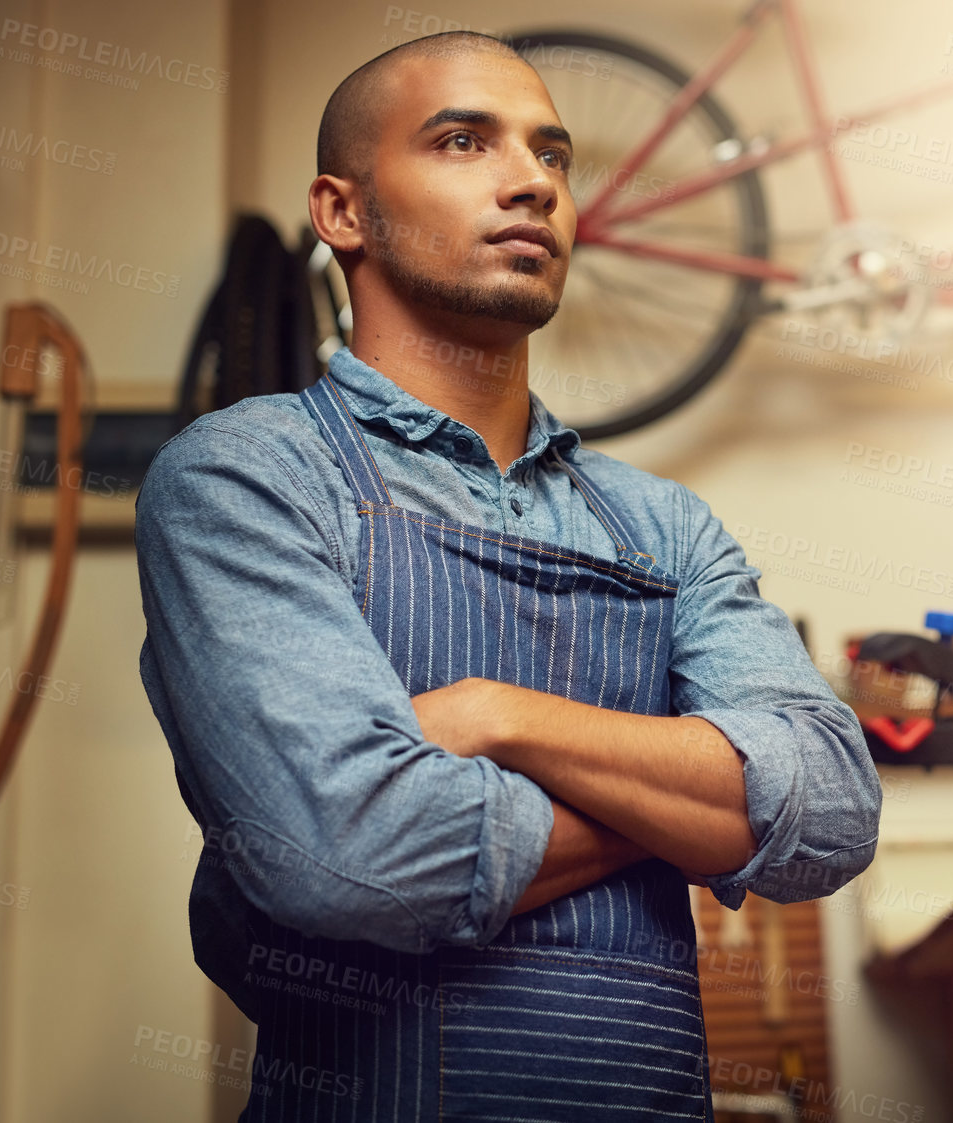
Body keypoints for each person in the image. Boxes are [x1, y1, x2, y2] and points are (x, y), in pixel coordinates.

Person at [135, 30, 881, 1120]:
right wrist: (700, 809)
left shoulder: (659, 524)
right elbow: (351, 850)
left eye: (553, 154)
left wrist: (500, 718)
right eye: (461, 141)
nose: (531, 181)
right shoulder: (249, 475)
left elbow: (832, 809)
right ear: (341, 213)